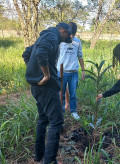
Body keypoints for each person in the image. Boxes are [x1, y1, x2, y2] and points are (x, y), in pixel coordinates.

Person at [22, 22, 72, 164]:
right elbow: (41, 52)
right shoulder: (52, 36)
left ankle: (39, 155)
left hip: (36, 86)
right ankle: (49, 160)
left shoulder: (43, 37)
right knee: (56, 120)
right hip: (46, 87)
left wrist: (35, 72)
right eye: (66, 36)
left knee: (43, 119)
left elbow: (26, 54)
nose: (65, 40)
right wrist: (46, 74)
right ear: (63, 31)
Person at [56, 22, 85, 120]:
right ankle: (61, 113)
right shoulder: (60, 41)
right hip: (61, 72)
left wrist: (83, 71)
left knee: (73, 93)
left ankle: (73, 111)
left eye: (73, 33)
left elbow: (80, 56)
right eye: (70, 33)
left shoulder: (77, 42)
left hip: (74, 72)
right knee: (61, 94)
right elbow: (56, 56)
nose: (71, 35)